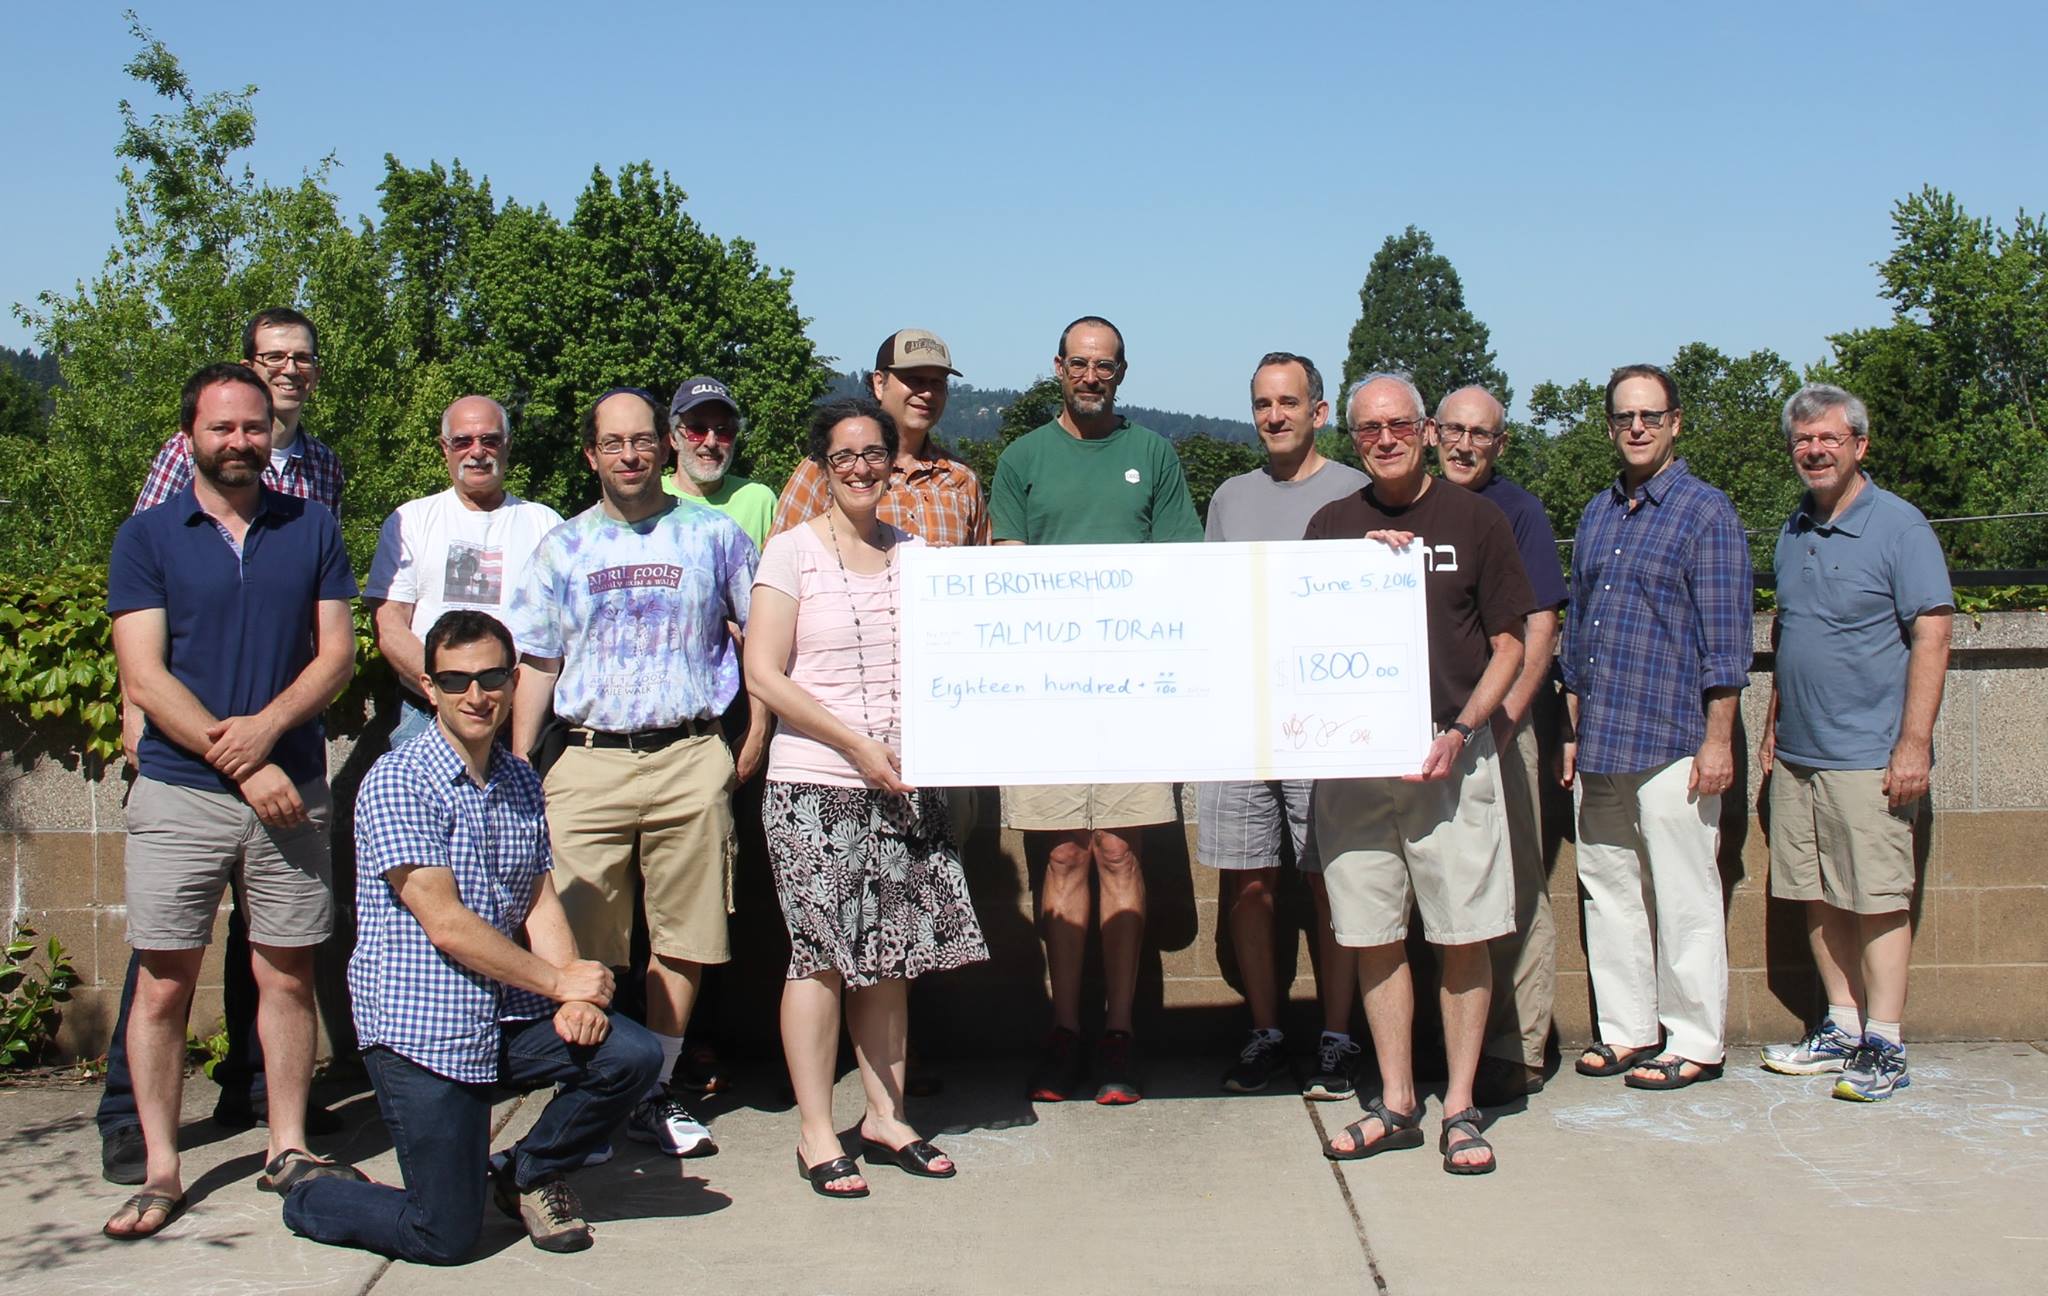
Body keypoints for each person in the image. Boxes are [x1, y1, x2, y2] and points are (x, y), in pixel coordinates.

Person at [282, 611, 661, 1260]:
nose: (475, 695)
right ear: (428, 687)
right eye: (456, 681)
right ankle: (313, 1194)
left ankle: (527, 1173)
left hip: (501, 1014)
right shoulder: (399, 780)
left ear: (514, 683)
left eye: (490, 677)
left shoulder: (517, 778)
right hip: (422, 1031)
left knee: (629, 1055)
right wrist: (558, 981)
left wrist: (572, 998)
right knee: (445, 1234)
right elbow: (447, 925)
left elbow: (539, 894)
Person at [102, 362, 361, 1238]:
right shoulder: (146, 536)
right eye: (222, 429)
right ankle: (164, 1165)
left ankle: (285, 1144)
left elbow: (334, 658)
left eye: (253, 427)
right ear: (190, 440)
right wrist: (243, 759)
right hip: (183, 793)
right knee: (165, 983)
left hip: (294, 788)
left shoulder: (313, 526)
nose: (240, 442)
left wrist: (271, 730)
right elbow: (144, 674)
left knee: (286, 971)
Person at [505, 387, 762, 1160]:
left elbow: (760, 641)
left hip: (690, 754)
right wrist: (519, 765)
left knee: (684, 939)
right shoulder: (562, 548)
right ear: (591, 454)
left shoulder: (714, 536)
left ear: (665, 445)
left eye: (642, 440)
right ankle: (596, 1089)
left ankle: (654, 1088)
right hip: (587, 760)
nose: (629, 455)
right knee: (577, 940)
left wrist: (750, 741)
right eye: (613, 443)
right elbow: (539, 659)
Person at [744, 396, 989, 1199]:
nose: (859, 467)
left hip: (905, 789)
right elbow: (764, 674)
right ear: (822, 465)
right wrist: (855, 745)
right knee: (818, 960)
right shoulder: (791, 553)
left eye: (872, 453)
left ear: (892, 460)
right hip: (817, 786)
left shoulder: (917, 554)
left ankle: (885, 1116)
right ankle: (819, 1132)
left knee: (891, 959)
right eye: (843, 455)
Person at [1306, 373, 1531, 1175]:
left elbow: (1512, 641)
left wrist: (1468, 729)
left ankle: (1462, 1106)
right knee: (1373, 936)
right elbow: (1302, 635)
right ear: (1353, 438)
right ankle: (1398, 1101)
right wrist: (1353, 573)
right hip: (1357, 767)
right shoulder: (1332, 524)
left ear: (1429, 430)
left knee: (1464, 933)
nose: (1386, 439)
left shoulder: (1477, 519)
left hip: (1450, 756)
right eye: (1369, 429)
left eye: (1400, 425)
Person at [989, 315, 1203, 1106]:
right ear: (1057, 369)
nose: (1090, 376)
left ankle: (1120, 1033)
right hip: (1045, 699)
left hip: (1134, 696)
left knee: (1117, 850)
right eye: (1078, 364)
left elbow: (1182, 570)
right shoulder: (1021, 460)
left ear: (1121, 372)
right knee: (1063, 858)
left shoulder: (1152, 456)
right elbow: (1007, 576)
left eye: (1103, 365)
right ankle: (1064, 1029)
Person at [1758, 384, 1953, 1101]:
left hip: (1870, 755)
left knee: (1875, 899)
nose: (1814, 450)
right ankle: (1840, 1028)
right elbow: (1790, 630)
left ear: (1859, 445)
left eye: (1829, 439)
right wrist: (1776, 719)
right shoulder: (1793, 529)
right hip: (1802, 757)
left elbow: (1932, 634)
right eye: (1803, 441)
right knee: (1818, 895)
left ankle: (1885, 1044)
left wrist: (1914, 743)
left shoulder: (1900, 528)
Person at [1560, 363, 1752, 1090]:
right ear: (1610, 427)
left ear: (1675, 423)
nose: (1636, 427)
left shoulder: (1707, 512)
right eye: (1623, 417)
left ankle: (1696, 1040)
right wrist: (1573, 730)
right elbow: (1578, 631)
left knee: (1684, 893)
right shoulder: (1597, 513)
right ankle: (1629, 1031)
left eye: (1650, 415)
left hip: (1675, 737)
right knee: (1608, 892)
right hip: (1604, 736)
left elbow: (1727, 640)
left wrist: (1718, 739)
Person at [1195, 352, 1369, 1098]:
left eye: (1289, 403)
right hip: (1240, 716)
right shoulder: (1230, 498)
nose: (1274, 416)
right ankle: (1265, 1033)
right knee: (1249, 885)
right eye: (1263, 403)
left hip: (1326, 718)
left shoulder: (1358, 492)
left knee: (1332, 880)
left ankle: (1337, 1037)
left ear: (1319, 412)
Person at [1434, 385, 1570, 1105]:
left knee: (1512, 884)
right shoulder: (1412, 504)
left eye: (1479, 434)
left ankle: (1518, 1049)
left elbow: (1540, 623)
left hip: (1496, 731)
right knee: (1446, 894)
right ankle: (1452, 1042)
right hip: (1428, 737)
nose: (1463, 444)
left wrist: (1506, 722)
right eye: (1452, 430)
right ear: (1432, 433)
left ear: (1500, 443)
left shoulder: (1516, 511)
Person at [365, 396, 564, 747]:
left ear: (507, 446)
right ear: (445, 448)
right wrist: (449, 691)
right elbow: (390, 625)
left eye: (490, 440)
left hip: (518, 718)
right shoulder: (410, 521)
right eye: (463, 441)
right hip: (426, 714)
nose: (477, 452)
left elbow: (558, 633)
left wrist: (502, 697)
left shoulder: (545, 524)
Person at [771, 329, 989, 549]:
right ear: (879, 383)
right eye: (914, 380)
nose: (927, 393)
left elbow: (981, 569)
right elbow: (783, 559)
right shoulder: (825, 468)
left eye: (937, 383)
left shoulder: (961, 479)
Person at [661, 375, 778, 548]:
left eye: (723, 431)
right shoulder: (651, 497)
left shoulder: (759, 501)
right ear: (673, 438)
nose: (711, 442)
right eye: (697, 430)